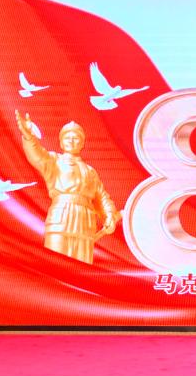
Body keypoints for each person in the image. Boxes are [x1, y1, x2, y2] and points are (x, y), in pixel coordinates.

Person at [14, 111, 120, 265]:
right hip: (60, 217)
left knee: (81, 266)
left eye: (76, 138)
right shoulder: (54, 161)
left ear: (82, 143)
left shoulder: (90, 171)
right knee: (55, 265)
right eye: (67, 137)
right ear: (61, 142)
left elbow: (102, 197)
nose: (71, 140)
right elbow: (37, 155)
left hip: (84, 221)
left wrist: (109, 215)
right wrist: (29, 137)